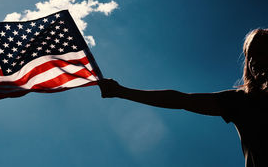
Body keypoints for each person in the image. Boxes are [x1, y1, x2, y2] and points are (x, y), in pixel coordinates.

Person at [98, 28, 268, 167]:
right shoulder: (240, 101)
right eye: (250, 55)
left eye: (262, 52)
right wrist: (121, 91)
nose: (254, 60)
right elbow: (181, 100)